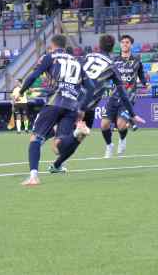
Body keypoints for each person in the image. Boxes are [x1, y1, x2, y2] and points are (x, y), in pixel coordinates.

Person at [50, 34, 145, 172]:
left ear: (98, 46)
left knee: (59, 144)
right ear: (113, 47)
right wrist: (133, 114)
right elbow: (123, 93)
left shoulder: (88, 56)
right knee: (76, 139)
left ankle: (58, 162)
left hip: (73, 101)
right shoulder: (112, 65)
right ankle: (58, 162)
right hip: (89, 106)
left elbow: (73, 71)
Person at [13, 34, 93, 186]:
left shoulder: (49, 57)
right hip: (72, 106)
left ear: (52, 45)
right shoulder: (77, 61)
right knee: (58, 147)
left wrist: (21, 92)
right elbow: (91, 88)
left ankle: (33, 177)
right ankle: (77, 133)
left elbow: (33, 76)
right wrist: (82, 107)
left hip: (54, 102)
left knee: (35, 138)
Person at [102, 34, 147, 157]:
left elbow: (141, 75)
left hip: (128, 97)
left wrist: (145, 82)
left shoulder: (137, 61)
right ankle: (109, 145)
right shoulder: (114, 61)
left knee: (121, 124)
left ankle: (122, 140)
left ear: (131, 45)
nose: (124, 44)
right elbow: (106, 75)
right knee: (104, 124)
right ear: (120, 45)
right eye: (122, 42)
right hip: (113, 96)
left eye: (127, 42)